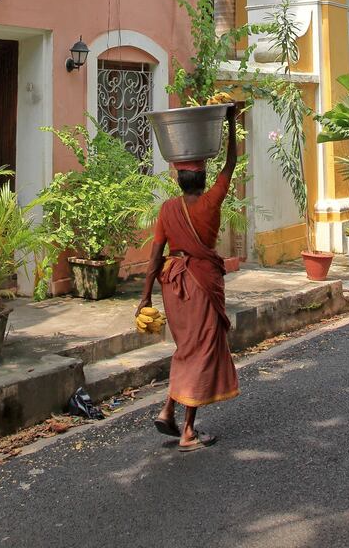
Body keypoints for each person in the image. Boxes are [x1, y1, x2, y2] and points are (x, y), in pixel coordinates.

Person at [136, 105, 239, 452]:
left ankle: (168, 410)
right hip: (200, 284)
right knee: (201, 351)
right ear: (203, 179)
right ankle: (188, 432)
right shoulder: (211, 202)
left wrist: (145, 297)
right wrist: (231, 122)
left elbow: (154, 257)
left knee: (186, 349)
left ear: (179, 179)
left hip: (172, 286)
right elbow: (230, 165)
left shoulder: (167, 209)